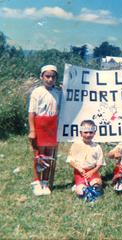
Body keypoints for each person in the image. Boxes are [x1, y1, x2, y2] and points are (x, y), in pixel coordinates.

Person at [28, 64, 61, 196]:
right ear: (41, 77)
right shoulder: (37, 92)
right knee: (38, 156)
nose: (50, 79)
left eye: (53, 77)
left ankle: (45, 182)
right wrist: (32, 130)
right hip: (39, 125)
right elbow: (31, 112)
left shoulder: (58, 92)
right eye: (47, 76)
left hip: (52, 126)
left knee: (48, 156)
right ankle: (37, 182)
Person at [66, 120, 105, 198]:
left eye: (91, 132)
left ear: (94, 133)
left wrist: (92, 171)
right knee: (80, 191)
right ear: (81, 133)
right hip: (80, 172)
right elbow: (70, 160)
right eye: (85, 132)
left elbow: (100, 163)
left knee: (98, 184)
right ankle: (80, 186)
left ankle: (90, 187)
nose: (88, 135)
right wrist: (79, 168)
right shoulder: (76, 145)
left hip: (92, 172)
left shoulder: (97, 147)